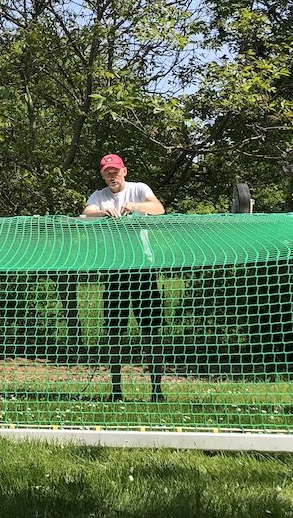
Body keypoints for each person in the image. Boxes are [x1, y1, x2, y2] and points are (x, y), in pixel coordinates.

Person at [81, 153, 167, 402]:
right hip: (115, 271)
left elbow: (159, 208)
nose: (111, 175)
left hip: (142, 269)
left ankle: (156, 389)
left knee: (151, 333)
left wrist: (136, 207)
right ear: (102, 175)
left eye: (115, 171)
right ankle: (116, 389)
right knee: (114, 333)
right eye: (107, 172)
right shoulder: (99, 196)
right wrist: (102, 212)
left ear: (124, 171)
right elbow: (87, 212)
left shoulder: (139, 189)